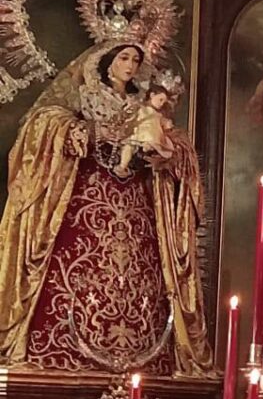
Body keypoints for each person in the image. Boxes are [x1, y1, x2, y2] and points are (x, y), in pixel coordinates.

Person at [0, 41, 213, 376]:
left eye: (136, 60)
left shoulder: (144, 103)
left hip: (137, 211)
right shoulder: (84, 96)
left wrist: (171, 153)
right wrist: (75, 131)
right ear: (106, 61)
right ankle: (58, 357)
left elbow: (172, 140)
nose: (130, 65)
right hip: (85, 203)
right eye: (123, 58)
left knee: (141, 290)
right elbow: (43, 123)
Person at [117, 83, 175, 178]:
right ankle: (122, 166)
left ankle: (147, 149)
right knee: (129, 146)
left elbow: (165, 125)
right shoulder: (141, 108)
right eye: (160, 100)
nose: (161, 104)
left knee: (150, 147)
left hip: (153, 137)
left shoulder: (158, 115)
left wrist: (168, 125)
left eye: (163, 102)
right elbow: (131, 117)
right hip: (138, 134)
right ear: (152, 95)